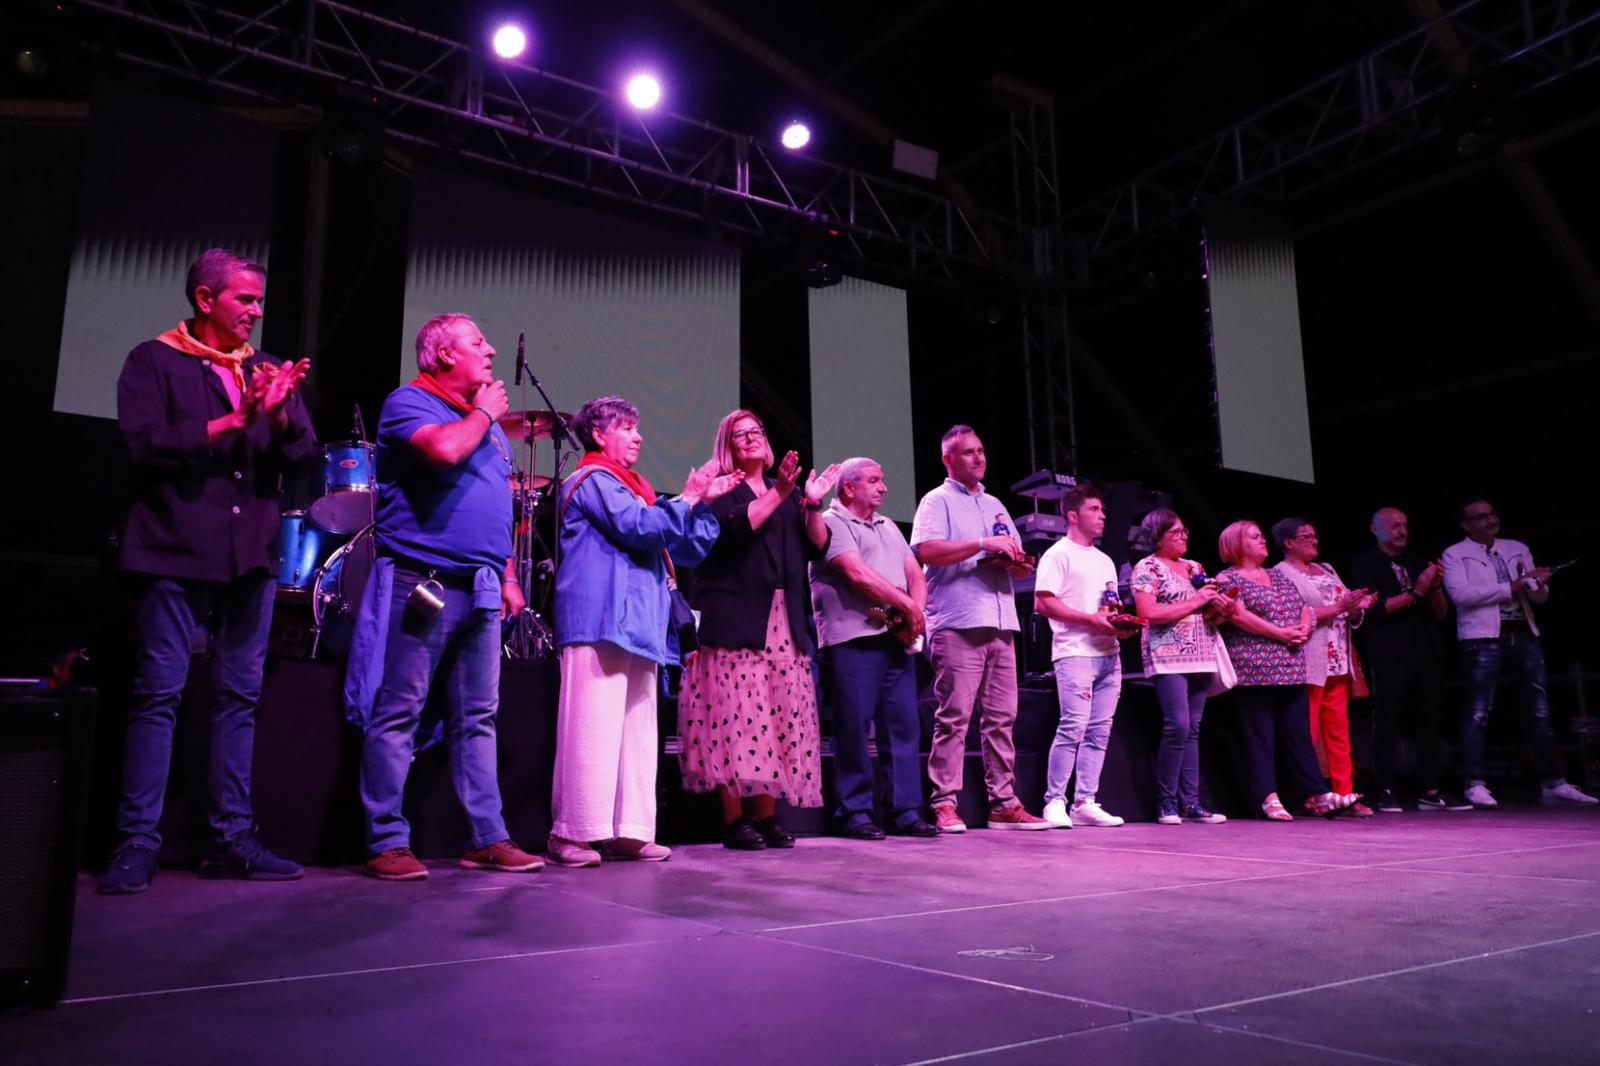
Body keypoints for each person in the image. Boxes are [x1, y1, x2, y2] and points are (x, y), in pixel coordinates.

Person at [100, 248, 315, 895]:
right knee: (159, 693)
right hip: (172, 547)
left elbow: (302, 454)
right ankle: (137, 841)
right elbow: (145, 445)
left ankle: (231, 839)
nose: (256, 311)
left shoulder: (266, 368)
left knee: (239, 697)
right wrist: (236, 420)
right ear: (205, 299)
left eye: (259, 300)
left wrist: (278, 413)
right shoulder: (153, 360)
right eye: (245, 299)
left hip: (249, 554)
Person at [353, 313, 543, 881]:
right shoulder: (410, 403)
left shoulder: (482, 423)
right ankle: (386, 840)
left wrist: (507, 575)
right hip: (423, 582)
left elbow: (494, 506)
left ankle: (488, 837)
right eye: (477, 342)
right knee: (399, 711)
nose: (490, 351)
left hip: (481, 585)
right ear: (442, 355)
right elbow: (441, 451)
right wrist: (484, 414)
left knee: (479, 716)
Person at [549, 397, 735, 866]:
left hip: (638, 624)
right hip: (600, 618)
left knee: (637, 732)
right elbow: (637, 528)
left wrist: (704, 503)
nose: (639, 437)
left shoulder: (637, 490)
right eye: (628, 428)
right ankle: (573, 833)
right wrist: (687, 498)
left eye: (637, 428)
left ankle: (628, 831)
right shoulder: (592, 480)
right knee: (592, 727)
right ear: (598, 435)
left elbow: (687, 549)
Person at [678, 409, 838, 850]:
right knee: (733, 717)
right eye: (739, 434)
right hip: (735, 616)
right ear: (727, 446)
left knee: (777, 715)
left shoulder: (787, 492)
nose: (749, 438)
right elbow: (736, 530)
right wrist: (783, 491)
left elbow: (818, 546)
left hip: (784, 619)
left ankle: (766, 817)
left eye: (755, 431)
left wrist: (813, 505)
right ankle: (734, 820)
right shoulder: (720, 488)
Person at [910, 426, 1047, 833]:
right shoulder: (936, 500)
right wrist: (983, 544)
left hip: (1001, 621)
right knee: (954, 718)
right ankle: (944, 803)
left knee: (1002, 719)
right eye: (968, 452)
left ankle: (1003, 803)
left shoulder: (995, 504)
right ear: (948, 459)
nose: (978, 458)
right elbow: (926, 550)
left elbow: (1014, 557)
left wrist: (1018, 563)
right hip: (958, 621)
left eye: (981, 451)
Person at [810, 457, 939, 840]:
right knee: (853, 727)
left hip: (895, 641)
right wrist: (909, 607)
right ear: (849, 488)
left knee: (903, 726)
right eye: (874, 480)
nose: (884, 487)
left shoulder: (888, 526)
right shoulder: (833, 522)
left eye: (882, 480)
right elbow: (857, 574)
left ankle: (904, 811)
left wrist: (914, 617)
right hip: (852, 641)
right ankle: (854, 812)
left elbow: (915, 573)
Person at [1442, 498, 1597, 809]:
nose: (1490, 520)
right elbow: (1461, 595)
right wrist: (1510, 587)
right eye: (1480, 517)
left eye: (1492, 514)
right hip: (1482, 637)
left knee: (1538, 710)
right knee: (1478, 711)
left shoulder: (1516, 547)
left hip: (1524, 632)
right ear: (1465, 525)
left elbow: (1539, 598)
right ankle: (1474, 783)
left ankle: (1554, 783)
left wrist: (1538, 584)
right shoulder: (1455, 553)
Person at [1215, 521, 1354, 821]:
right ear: (1237, 544)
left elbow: (1303, 606)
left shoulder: (1277, 575)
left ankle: (1318, 794)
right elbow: (1239, 616)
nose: (1263, 540)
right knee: (1260, 737)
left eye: (1261, 535)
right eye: (1255, 537)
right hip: (1255, 669)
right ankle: (1267, 796)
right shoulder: (1226, 578)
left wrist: (1303, 627)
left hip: (1291, 666)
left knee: (1299, 735)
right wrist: (1280, 633)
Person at [1032, 485, 1136, 829]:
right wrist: (1091, 620)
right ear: (1073, 516)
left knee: (1099, 732)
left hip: (1109, 654)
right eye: (1094, 509)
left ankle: (1084, 801)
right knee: (1073, 727)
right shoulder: (1058, 554)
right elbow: (1043, 602)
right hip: (1075, 652)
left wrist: (1119, 625)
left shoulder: (1105, 560)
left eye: (1103, 510)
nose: (1102, 515)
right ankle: (1054, 800)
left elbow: (1108, 606)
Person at [1349, 508, 1466, 812]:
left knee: (1429, 720)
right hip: (1388, 652)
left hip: (1425, 649)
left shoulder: (1418, 563)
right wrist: (1417, 591)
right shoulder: (1366, 564)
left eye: (1404, 525)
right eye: (1394, 526)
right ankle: (1385, 788)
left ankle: (1431, 789)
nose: (1402, 531)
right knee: (1388, 719)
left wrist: (1435, 586)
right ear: (1375, 530)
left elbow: (1441, 612)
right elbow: (1374, 610)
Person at [1129, 508, 1234, 825]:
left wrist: (1222, 607)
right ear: (1157, 537)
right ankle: (1167, 803)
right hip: (1168, 654)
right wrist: (1197, 601)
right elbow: (1147, 613)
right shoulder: (1147, 567)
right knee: (1177, 725)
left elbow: (1208, 614)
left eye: (1184, 530)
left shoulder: (1193, 567)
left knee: (1193, 729)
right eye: (1176, 532)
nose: (1184, 536)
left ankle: (1191, 802)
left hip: (1201, 652)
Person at [1272, 518, 1378, 817]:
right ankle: (1310, 794)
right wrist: (1341, 607)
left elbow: (1345, 608)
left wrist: (1357, 607)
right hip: (1308, 659)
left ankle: (1345, 794)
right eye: (1306, 536)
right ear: (1288, 542)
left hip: (1338, 659)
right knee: (1306, 732)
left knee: (1339, 731)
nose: (1314, 541)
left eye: (1315, 535)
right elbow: (1295, 614)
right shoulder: (1281, 573)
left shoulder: (1327, 569)